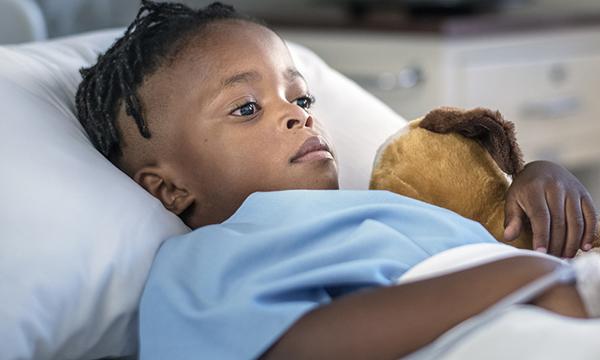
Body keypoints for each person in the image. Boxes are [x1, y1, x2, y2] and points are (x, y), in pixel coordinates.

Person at [75, 1, 600, 359]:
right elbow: (288, 349)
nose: (298, 115)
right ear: (169, 189)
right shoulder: (208, 256)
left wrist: (538, 180)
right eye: (246, 107)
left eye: (300, 98)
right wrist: (515, 281)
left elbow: (499, 231)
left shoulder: (384, 204)